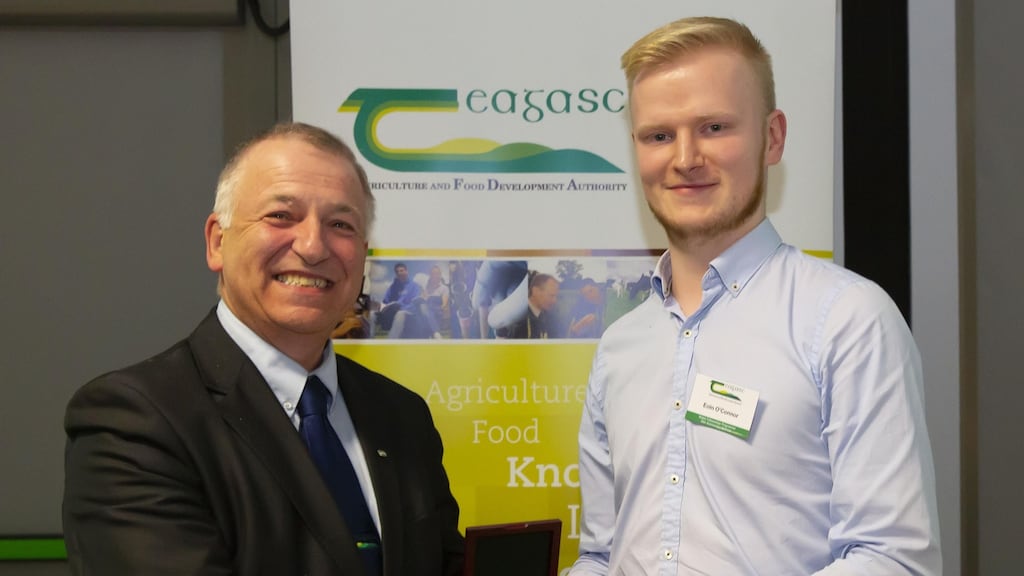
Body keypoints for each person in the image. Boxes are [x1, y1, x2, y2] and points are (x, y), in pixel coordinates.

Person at [570, 17, 941, 576]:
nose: (685, 157)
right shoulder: (621, 346)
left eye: (715, 127)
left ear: (773, 137)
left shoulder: (847, 321)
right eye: (658, 135)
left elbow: (893, 559)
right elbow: (602, 555)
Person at [62, 122, 464, 575]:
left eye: (340, 224)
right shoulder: (135, 423)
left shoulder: (401, 416)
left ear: (362, 257)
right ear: (217, 241)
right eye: (281, 216)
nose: (313, 246)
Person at [504, 272, 561, 339]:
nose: (554, 301)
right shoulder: (519, 321)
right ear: (535, 291)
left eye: (556, 296)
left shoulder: (549, 317)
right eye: (551, 295)